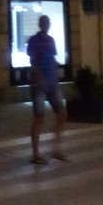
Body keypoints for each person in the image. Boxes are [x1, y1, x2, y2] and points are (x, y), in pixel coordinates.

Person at [27, 15, 67, 164]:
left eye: (47, 22)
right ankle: (35, 153)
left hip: (52, 83)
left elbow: (52, 59)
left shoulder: (51, 40)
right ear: (39, 24)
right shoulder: (34, 40)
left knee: (62, 114)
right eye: (43, 22)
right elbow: (32, 61)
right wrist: (38, 76)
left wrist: (56, 75)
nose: (46, 25)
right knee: (39, 117)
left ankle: (56, 148)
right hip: (39, 85)